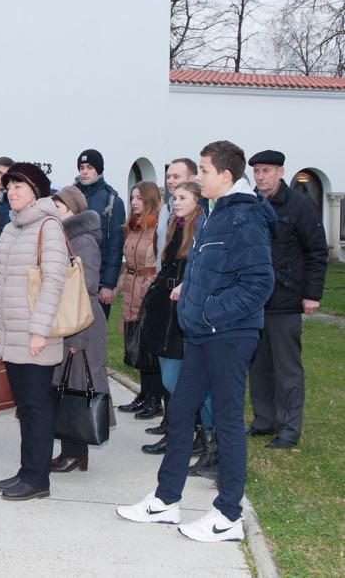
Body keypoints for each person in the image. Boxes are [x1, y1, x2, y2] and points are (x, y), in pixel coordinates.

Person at [117, 140, 274, 543]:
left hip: (229, 335)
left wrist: (207, 311)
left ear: (225, 176)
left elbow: (259, 284)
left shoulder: (246, 217)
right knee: (182, 410)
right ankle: (166, 500)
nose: (194, 177)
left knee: (225, 420)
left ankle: (228, 515)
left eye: (201, 170)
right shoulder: (211, 215)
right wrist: (190, 295)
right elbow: (211, 270)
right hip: (202, 334)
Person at [0, 162, 67, 501]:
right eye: (9, 186)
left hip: (34, 336)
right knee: (25, 407)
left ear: (36, 191)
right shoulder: (11, 229)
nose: (12, 191)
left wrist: (39, 331)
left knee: (36, 407)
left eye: (19, 186)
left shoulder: (48, 226)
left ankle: (38, 479)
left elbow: (54, 281)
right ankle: (27, 470)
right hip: (11, 332)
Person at [247, 150, 328, 448]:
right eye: (256, 171)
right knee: (258, 365)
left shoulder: (300, 205)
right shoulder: (252, 203)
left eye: (266, 171)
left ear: (281, 172)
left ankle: (289, 428)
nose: (260, 177)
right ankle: (264, 419)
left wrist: (311, 294)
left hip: (286, 297)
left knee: (286, 368)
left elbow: (317, 251)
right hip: (255, 300)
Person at [137, 182, 215, 476]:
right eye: (175, 197)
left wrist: (187, 287)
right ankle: (185, 432)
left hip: (185, 312)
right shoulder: (174, 226)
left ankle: (207, 440)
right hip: (165, 311)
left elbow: (202, 269)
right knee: (172, 379)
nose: (176, 201)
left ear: (198, 200)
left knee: (192, 382)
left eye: (183, 197)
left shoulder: (203, 229)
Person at [49, 185, 113, 473]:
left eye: (59, 208)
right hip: (70, 322)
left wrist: (77, 336)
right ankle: (72, 452)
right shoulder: (66, 237)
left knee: (77, 388)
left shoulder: (82, 241)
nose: (54, 213)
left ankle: (76, 452)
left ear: (73, 210)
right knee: (68, 388)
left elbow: (84, 290)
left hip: (80, 324)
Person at [116, 181, 163, 419]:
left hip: (149, 290)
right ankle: (145, 394)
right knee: (136, 344)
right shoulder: (132, 228)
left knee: (149, 345)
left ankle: (155, 398)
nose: (134, 202)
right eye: (133, 197)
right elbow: (127, 263)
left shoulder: (159, 229)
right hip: (132, 289)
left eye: (139, 198)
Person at [74, 149, 126, 319]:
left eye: (90, 167)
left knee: (94, 335)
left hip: (98, 279)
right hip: (72, 276)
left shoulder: (112, 201)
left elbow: (115, 245)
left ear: (99, 169)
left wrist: (109, 284)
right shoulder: (71, 195)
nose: (85, 171)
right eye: (82, 167)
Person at [156, 158, 197, 262]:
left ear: (192, 179)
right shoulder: (164, 209)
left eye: (176, 177)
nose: (170, 181)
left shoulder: (202, 214)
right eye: (168, 177)